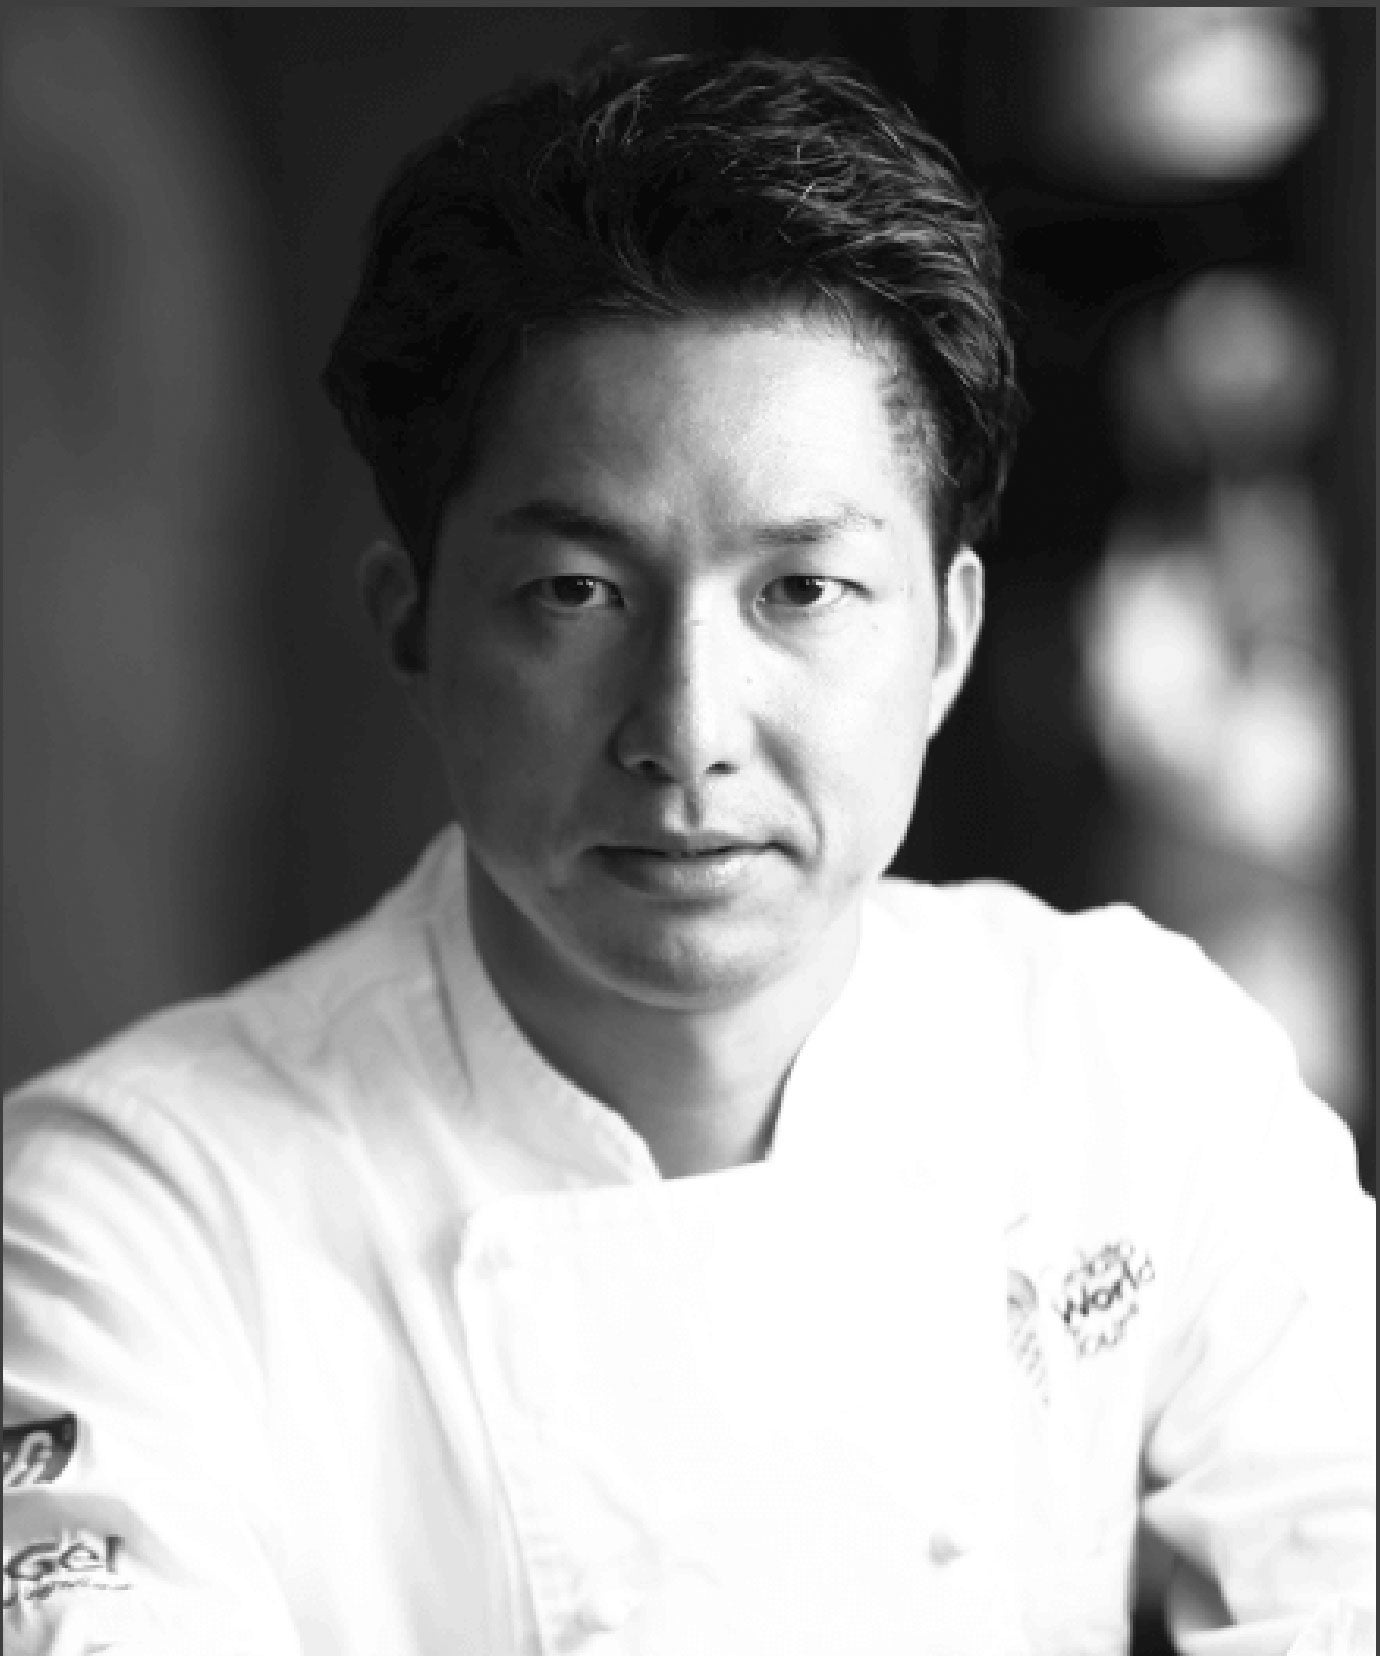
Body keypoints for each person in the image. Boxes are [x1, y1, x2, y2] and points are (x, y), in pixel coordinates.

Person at [3, 46, 1373, 1656]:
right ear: (412, 627)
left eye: (803, 591)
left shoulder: (1134, 1070)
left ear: (946, 637)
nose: (689, 728)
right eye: (577, 593)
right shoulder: (136, 1214)